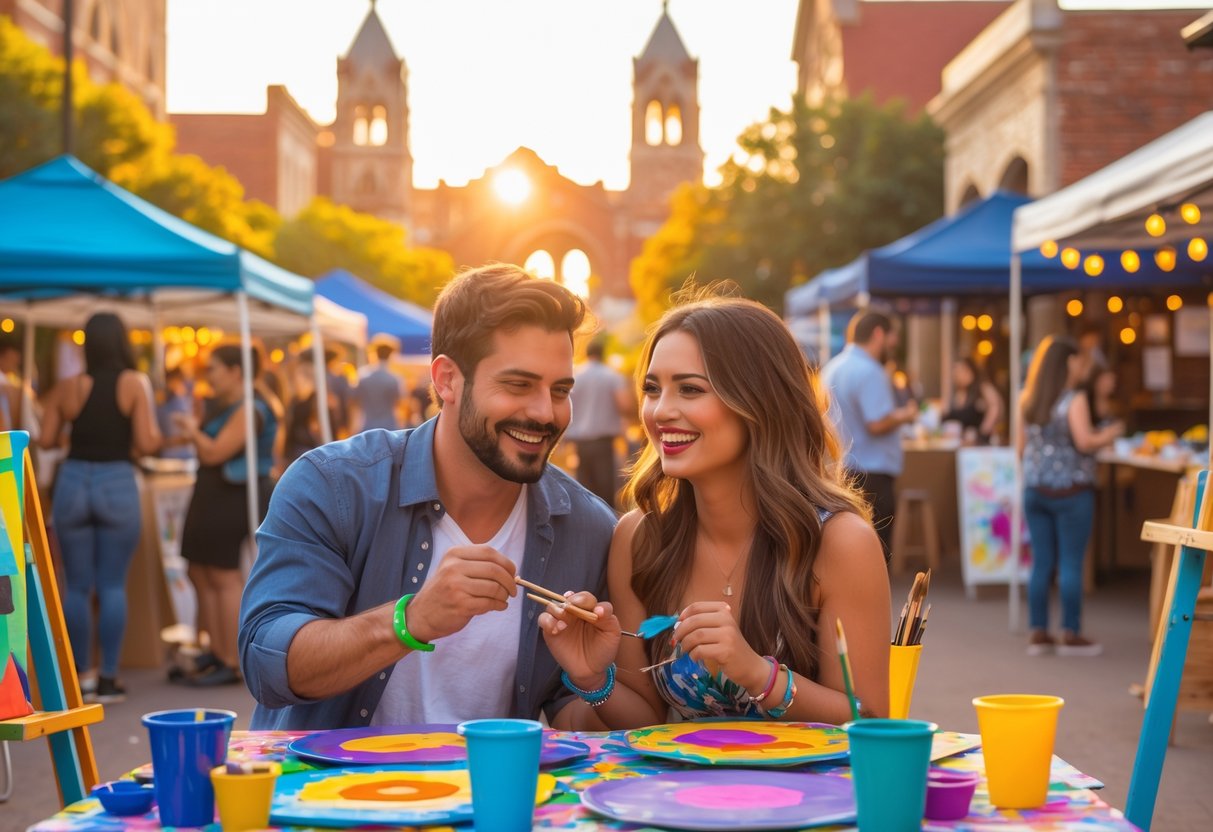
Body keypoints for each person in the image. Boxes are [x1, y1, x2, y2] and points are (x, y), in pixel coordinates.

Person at [238, 264, 617, 730]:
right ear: (446, 380)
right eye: (518, 384)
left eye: (560, 390)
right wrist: (410, 620)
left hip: (487, 798)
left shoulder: (586, 526)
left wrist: (591, 680)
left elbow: (572, 721)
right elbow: (266, 661)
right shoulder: (334, 485)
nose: (545, 412)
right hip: (325, 795)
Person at [538, 293, 890, 727]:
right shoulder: (639, 538)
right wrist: (592, 677)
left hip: (808, 793)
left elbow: (872, 722)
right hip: (679, 794)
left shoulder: (839, 542)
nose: (661, 411)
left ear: (758, 402)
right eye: (652, 389)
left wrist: (757, 674)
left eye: (690, 389)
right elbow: (645, 721)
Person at [38, 312, 162, 703]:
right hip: (116, 482)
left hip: (73, 482)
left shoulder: (67, 387)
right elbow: (145, 443)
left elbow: (45, 440)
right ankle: (108, 678)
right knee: (111, 584)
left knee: (76, 584)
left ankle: (80, 675)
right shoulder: (134, 383)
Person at [174, 343, 281, 686]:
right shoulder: (228, 405)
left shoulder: (250, 408)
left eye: (214, 369)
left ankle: (231, 660)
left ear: (236, 371)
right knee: (201, 572)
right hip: (215, 494)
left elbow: (216, 452)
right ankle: (216, 650)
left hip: (231, 495)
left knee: (222, 576)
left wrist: (192, 431)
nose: (209, 377)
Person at [1019, 335, 1123, 657]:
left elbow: (1020, 448)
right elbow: (1084, 442)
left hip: (1035, 489)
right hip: (1072, 491)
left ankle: (1038, 632)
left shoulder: (1027, 398)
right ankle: (1070, 632)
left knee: (1041, 563)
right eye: (1079, 360)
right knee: (1071, 563)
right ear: (1067, 362)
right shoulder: (1073, 399)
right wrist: (1111, 433)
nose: (1082, 366)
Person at [821, 309, 917, 561]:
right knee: (875, 552)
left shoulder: (833, 367)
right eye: (892, 339)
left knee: (848, 552)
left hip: (842, 469)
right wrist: (906, 414)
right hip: (872, 474)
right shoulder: (870, 371)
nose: (893, 346)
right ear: (878, 334)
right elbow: (876, 423)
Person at [565, 339, 633, 509]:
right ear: (603, 354)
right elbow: (624, 405)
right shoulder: (611, 375)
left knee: (583, 491)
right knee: (605, 493)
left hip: (580, 443)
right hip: (603, 443)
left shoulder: (575, 375)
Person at [942, 357, 1003, 445]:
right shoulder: (956, 393)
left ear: (970, 371)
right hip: (959, 443)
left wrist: (983, 432)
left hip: (978, 445)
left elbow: (995, 407)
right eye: (956, 372)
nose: (957, 375)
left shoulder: (982, 388)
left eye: (961, 371)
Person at [353, 336, 404, 432]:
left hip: (366, 426)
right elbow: (400, 404)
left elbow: (355, 403)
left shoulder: (362, 375)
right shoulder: (394, 378)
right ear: (391, 354)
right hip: (389, 427)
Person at [156, 367, 197, 461]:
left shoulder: (182, 401)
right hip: (167, 457)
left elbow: (189, 435)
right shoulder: (162, 404)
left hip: (184, 457)